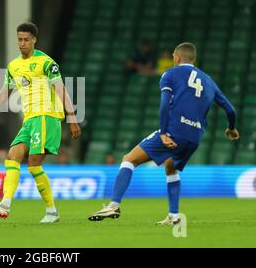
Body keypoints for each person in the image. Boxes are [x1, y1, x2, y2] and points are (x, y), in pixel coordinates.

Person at [88, 42, 239, 225]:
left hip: (175, 130)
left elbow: (164, 105)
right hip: (194, 137)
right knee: (170, 167)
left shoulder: (170, 74)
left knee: (129, 159)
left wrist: (164, 132)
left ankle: (113, 205)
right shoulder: (208, 80)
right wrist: (231, 128)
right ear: (194, 60)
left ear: (176, 58)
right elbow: (230, 110)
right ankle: (173, 216)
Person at [0, 22, 82, 223]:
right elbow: (4, 94)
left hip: (46, 116)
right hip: (29, 120)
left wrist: (72, 118)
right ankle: (4, 205)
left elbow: (62, 89)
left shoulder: (46, 62)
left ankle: (52, 212)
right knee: (12, 155)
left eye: (26, 39)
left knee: (34, 163)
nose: (22, 43)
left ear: (34, 39)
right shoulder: (14, 66)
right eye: (20, 39)